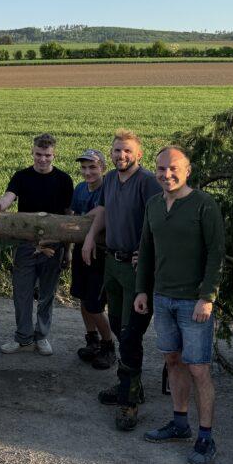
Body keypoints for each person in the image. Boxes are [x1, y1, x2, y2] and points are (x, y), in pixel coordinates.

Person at [134, 146, 225, 464]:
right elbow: (146, 250)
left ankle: (206, 437)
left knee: (198, 368)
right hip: (162, 297)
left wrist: (207, 296)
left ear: (188, 170)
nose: (166, 174)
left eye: (173, 168)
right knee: (172, 360)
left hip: (193, 301)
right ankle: (179, 422)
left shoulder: (204, 205)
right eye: (161, 169)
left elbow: (216, 254)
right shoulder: (154, 205)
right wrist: (141, 290)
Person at [81, 129, 163, 431]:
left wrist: (146, 250)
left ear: (139, 154)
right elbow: (103, 210)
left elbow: (158, 218)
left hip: (135, 268)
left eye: (127, 151)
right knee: (117, 324)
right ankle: (129, 384)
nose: (121, 155)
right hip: (112, 263)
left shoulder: (147, 182)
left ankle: (129, 402)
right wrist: (90, 236)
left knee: (131, 333)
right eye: (117, 150)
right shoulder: (111, 180)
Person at [0, 134, 74, 356]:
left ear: (54, 155)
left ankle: (42, 336)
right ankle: (23, 337)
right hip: (25, 245)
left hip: (54, 246)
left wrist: (68, 251)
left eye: (47, 155)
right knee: (22, 293)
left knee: (47, 294)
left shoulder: (64, 180)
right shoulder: (21, 177)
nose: (42, 159)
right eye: (38, 154)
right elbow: (8, 198)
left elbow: (68, 216)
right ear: (32, 153)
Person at [70, 149, 116, 370]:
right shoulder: (80, 188)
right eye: (84, 167)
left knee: (94, 303)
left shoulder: (109, 188)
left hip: (101, 253)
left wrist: (79, 222)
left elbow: (102, 212)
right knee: (82, 297)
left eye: (93, 167)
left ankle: (108, 345)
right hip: (81, 250)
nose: (87, 172)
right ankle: (92, 340)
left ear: (103, 168)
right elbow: (71, 215)